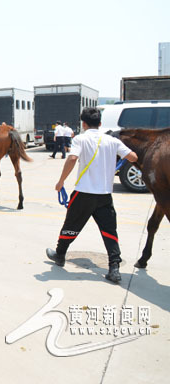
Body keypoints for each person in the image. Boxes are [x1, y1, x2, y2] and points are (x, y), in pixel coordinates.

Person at [46, 107, 137, 283]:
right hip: (104, 195)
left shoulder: (80, 139)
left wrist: (61, 181)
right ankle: (114, 268)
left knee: (71, 225)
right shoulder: (112, 140)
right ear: (100, 123)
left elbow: (72, 159)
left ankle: (60, 255)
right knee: (109, 231)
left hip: (84, 193)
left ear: (84, 123)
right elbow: (133, 157)